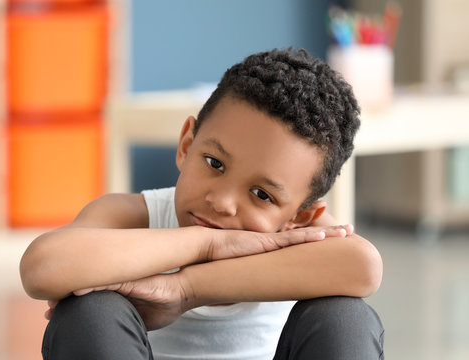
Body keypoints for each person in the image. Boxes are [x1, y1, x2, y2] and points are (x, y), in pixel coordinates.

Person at [20, 48, 385, 360]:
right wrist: (207, 243)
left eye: (262, 195)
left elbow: (364, 266)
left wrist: (185, 289)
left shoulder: (302, 239)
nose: (222, 202)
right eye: (215, 164)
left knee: (344, 318)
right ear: (186, 145)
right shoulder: (132, 216)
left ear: (301, 216)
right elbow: (43, 267)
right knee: (89, 311)